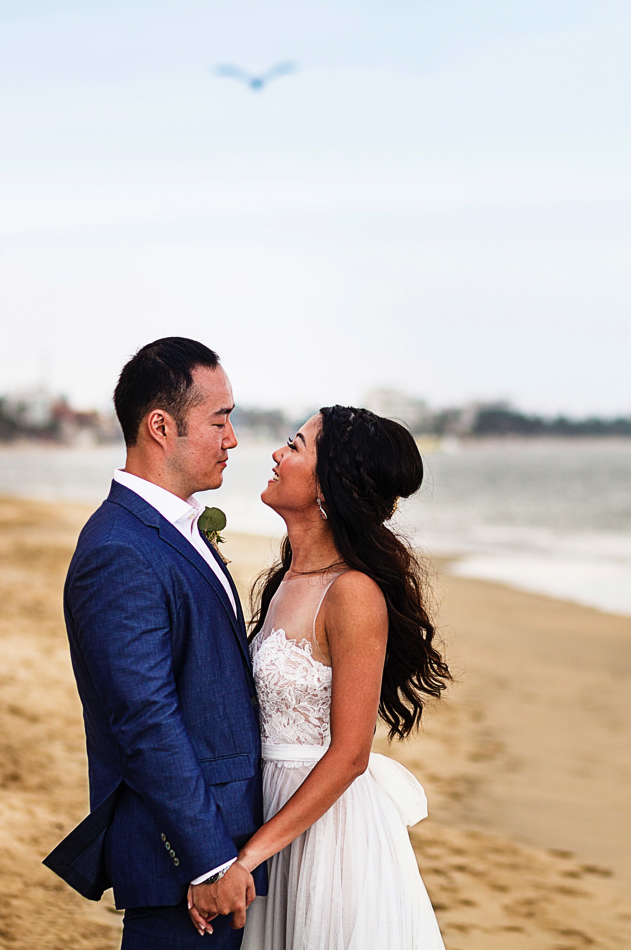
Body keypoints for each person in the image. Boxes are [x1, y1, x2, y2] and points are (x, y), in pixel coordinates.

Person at [187, 405, 450, 949]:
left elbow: (351, 754)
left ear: (330, 485)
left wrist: (250, 856)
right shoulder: (287, 577)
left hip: (327, 833)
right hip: (271, 814)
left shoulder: (352, 594)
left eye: (296, 445)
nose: (278, 454)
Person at [45, 337, 266, 949]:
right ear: (162, 426)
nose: (233, 438)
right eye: (219, 420)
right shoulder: (119, 550)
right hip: (184, 870)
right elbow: (145, 719)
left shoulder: (175, 528)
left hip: (229, 849)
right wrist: (208, 861)